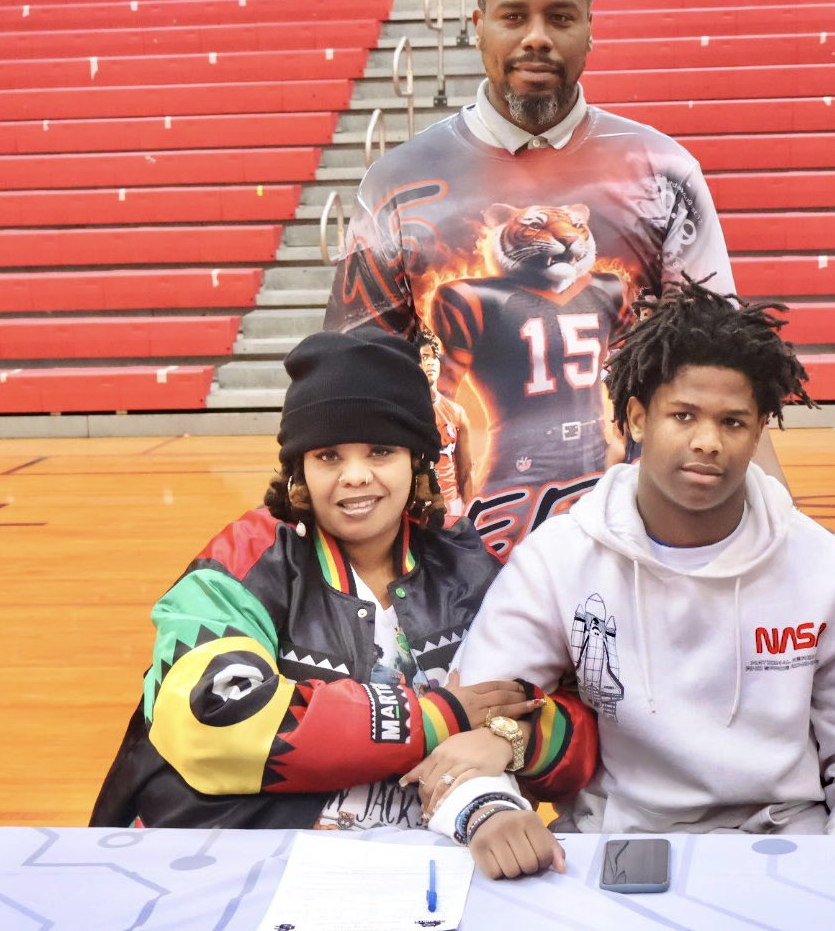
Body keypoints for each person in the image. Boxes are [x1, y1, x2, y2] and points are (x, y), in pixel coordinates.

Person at [415, 279, 835, 878]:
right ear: (636, 417)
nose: (707, 442)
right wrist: (490, 810)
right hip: (613, 847)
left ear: (759, 429)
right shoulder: (558, 561)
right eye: (683, 415)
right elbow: (476, 713)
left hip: (788, 847)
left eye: (733, 422)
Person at [324, 0, 785, 558]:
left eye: (560, 17)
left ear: (590, 29)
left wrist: (776, 530)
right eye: (514, 16)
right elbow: (353, 379)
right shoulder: (396, 184)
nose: (536, 36)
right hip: (454, 550)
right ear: (479, 25)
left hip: (636, 538)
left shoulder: (661, 171)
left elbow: (727, 372)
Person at [90, 330, 591, 831]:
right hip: (242, 859)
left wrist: (509, 739)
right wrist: (437, 719)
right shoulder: (244, 558)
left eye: (380, 452)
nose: (354, 475)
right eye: (329, 455)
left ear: (417, 461)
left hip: (430, 863)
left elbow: (578, 727)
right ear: (299, 469)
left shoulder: (468, 568)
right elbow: (214, 717)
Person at [417, 327, 474, 515]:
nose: (430, 362)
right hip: (420, 509)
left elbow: (466, 473)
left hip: (453, 507)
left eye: (433, 357)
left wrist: (467, 512)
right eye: (424, 357)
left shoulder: (457, 413)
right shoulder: (406, 412)